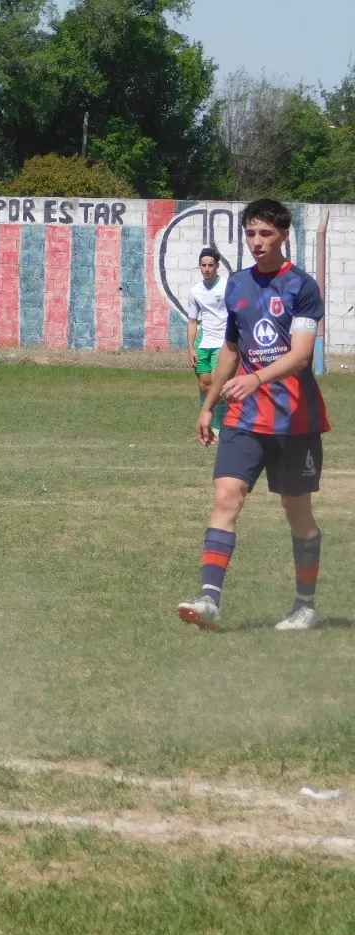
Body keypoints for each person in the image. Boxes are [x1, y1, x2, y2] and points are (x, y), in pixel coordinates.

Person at [177, 199, 329, 632]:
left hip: (294, 420)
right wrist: (209, 406)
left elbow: (301, 355)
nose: (257, 242)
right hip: (245, 416)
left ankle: (305, 606)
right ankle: (210, 600)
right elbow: (230, 348)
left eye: (265, 234)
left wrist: (257, 378)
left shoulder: (301, 286)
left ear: (283, 236)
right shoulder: (237, 285)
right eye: (250, 234)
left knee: (295, 508)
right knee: (226, 498)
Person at [186, 247, 229, 439]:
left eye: (210, 265)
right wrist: (190, 349)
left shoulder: (227, 287)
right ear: (199, 267)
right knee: (204, 386)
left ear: (217, 266)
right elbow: (193, 321)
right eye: (203, 265)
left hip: (223, 342)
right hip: (203, 343)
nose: (206, 269)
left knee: (217, 385)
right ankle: (207, 423)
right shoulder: (195, 291)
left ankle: (219, 425)